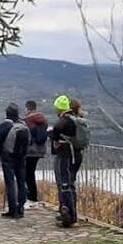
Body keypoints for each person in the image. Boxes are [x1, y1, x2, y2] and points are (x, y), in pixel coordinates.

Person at [51, 95, 85, 227]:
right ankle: (71, 213)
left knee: (65, 185)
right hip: (76, 154)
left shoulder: (62, 122)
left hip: (66, 156)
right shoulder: (77, 120)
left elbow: (55, 137)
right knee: (71, 184)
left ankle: (69, 215)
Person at [0, 103, 30, 218]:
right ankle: (21, 207)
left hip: (8, 157)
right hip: (22, 157)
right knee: (21, 181)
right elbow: (30, 141)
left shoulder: (4, 125)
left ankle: (13, 209)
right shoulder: (23, 125)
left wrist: (0, 152)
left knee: (10, 182)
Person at [24, 100, 48, 204]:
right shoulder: (43, 119)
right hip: (40, 150)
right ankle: (32, 196)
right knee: (31, 172)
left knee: (27, 173)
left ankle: (31, 196)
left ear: (27, 108)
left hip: (30, 150)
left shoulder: (28, 119)